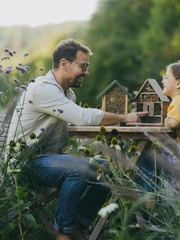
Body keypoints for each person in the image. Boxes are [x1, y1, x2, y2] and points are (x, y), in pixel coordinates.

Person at [7, 38, 148, 240]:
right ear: (64, 64)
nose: (87, 72)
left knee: (108, 166)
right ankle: (63, 232)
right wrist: (124, 118)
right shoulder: (43, 89)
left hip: (49, 159)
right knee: (77, 169)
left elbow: (77, 119)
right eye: (83, 66)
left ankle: (77, 222)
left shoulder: (68, 94)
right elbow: (82, 117)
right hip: (23, 163)